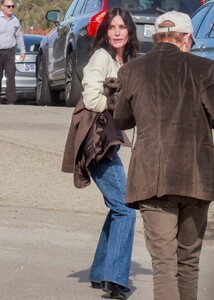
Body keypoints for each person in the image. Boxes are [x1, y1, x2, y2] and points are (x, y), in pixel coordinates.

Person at [114, 11, 214, 300]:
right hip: (196, 178)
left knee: (164, 265)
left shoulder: (132, 70)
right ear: (185, 39)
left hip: (153, 177)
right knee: (189, 261)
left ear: (157, 37)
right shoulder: (204, 68)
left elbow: (122, 120)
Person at [62, 8, 139, 300]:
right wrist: (119, 104)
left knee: (119, 207)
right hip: (96, 144)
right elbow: (92, 96)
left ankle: (100, 272)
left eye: (122, 27)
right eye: (112, 27)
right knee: (126, 208)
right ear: (105, 31)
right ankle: (115, 279)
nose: (117, 32)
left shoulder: (124, 60)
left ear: (129, 31)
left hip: (107, 142)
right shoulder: (101, 58)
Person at [0, 0, 26, 104]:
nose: (11, 8)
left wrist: (23, 51)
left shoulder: (15, 20)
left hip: (10, 51)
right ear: (2, 7)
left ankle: (11, 99)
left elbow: (18, 36)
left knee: (10, 74)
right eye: (8, 6)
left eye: (13, 6)